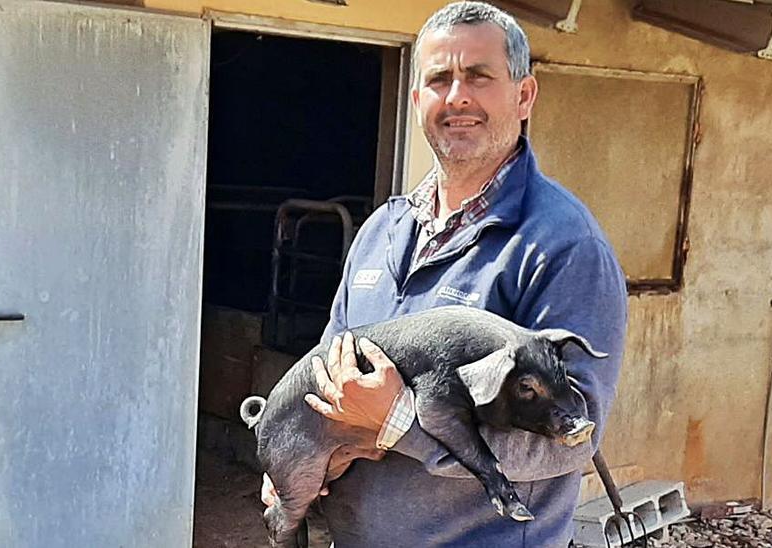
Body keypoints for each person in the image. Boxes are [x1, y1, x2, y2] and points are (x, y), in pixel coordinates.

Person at [259, 2, 629, 546]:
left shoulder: (563, 247)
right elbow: (330, 379)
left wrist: (399, 422)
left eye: (479, 77)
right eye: (439, 79)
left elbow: (571, 441)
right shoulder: (382, 231)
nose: (457, 97)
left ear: (524, 96)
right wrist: (300, 457)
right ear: (417, 102)